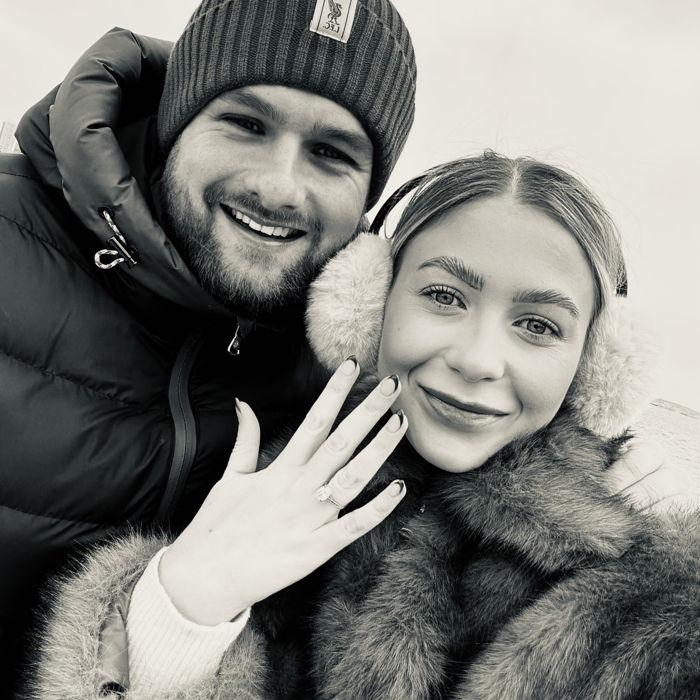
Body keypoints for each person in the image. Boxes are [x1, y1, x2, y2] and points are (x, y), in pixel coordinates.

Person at [30, 153, 698, 698]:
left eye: (538, 326)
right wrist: (184, 607)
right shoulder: (270, 494)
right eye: (444, 295)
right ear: (369, 306)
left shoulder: (655, 592)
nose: (476, 360)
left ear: (596, 365)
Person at [0, 0, 417, 688]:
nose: (279, 186)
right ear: (175, 123)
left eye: (331, 154)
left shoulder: (340, 373)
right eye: (246, 124)